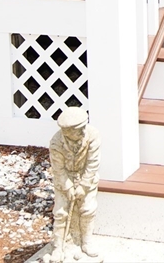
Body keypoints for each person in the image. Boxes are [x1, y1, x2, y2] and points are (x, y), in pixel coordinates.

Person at [47, 107, 101, 263]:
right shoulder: (56, 142)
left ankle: (87, 242)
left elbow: (92, 163)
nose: (83, 131)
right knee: (61, 212)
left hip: (87, 178)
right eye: (79, 130)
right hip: (65, 181)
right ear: (67, 132)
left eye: (84, 127)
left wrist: (83, 186)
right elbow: (58, 169)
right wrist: (69, 187)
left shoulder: (93, 135)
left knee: (88, 209)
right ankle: (59, 246)